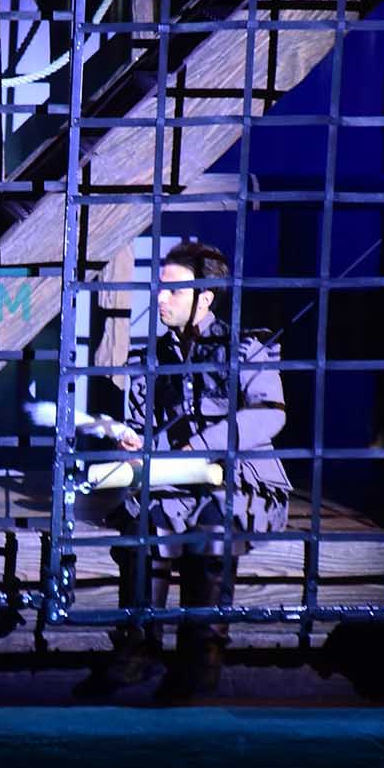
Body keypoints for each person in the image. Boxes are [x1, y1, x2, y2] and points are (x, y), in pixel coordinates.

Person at [79, 240, 291, 701]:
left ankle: (202, 655)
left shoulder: (245, 348)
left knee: (213, 528)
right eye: (160, 287)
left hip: (236, 477)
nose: (161, 297)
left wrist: (202, 445)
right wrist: (138, 445)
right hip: (173, 479)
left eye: (174, 290)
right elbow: (145, 425)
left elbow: (270, 415)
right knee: (144, 524)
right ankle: (139, 646)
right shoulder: (151, 360)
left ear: (205, 297)